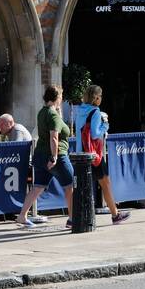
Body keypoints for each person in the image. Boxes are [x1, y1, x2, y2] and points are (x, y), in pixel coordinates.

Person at [18, 86, 74, 230]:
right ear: (57, 97)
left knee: (37, 187)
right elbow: (54, 137)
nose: (62, 98)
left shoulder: (43, 112)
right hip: (57, 156)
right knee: (70, 186)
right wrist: (54, 157)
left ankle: (22, 215)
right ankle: (72, 218)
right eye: (61, 96)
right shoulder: (53, 115)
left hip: (40, 155)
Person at [73, 86, 129, 224]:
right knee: (105, 183)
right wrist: (105, 126)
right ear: (96, 98)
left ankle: (73, 218)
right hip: (93, 154)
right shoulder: (96, 111)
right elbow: (95, 133)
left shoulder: (79, 110)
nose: (101, 99)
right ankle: (115, 215)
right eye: (100, 96)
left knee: (81, 186)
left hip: (81, 153)